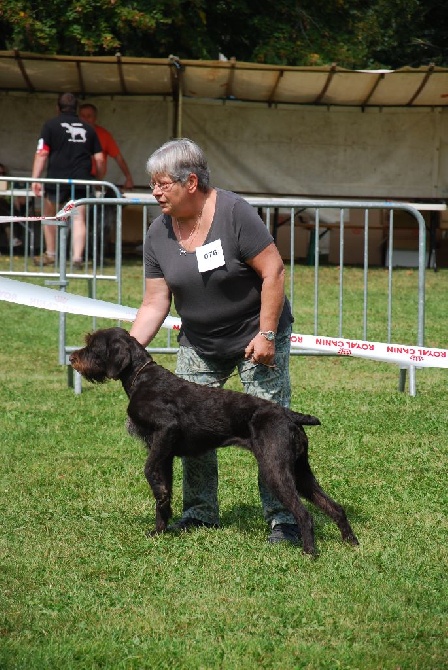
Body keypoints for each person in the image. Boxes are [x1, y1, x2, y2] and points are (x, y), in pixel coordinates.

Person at [130, 138, 300, 545]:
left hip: (255, 335)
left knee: (269, 428)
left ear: (191, 182)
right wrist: (129, 355)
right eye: (152, 184)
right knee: (190, 426)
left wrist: (266, 334)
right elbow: (155, 302)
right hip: (200, 342)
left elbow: (272, 272)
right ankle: (200, 512)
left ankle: (283, 518)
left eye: (161, 183)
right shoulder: (159, 232)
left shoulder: (235, 213)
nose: (154, 192)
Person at [31, 92, 105, 267]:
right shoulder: (88, 129)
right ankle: (77, 259)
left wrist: (35, 179)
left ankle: (51, 254)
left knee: (49, 216)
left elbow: (42, 153)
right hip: (81, 180)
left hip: (55, 180)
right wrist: (98, 179)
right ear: (76, 109)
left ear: (58, 108)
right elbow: (100, 158)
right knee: (79, 218)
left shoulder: (50, 126)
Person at [78, 103, 134, 190]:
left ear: (95, 118)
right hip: (75, 178)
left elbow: (118, 158)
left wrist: (128, 177)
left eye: (89, 116)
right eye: (82, 116)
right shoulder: (71, 134)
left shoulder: (104, 134)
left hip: (94, 180)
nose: (85, 119)